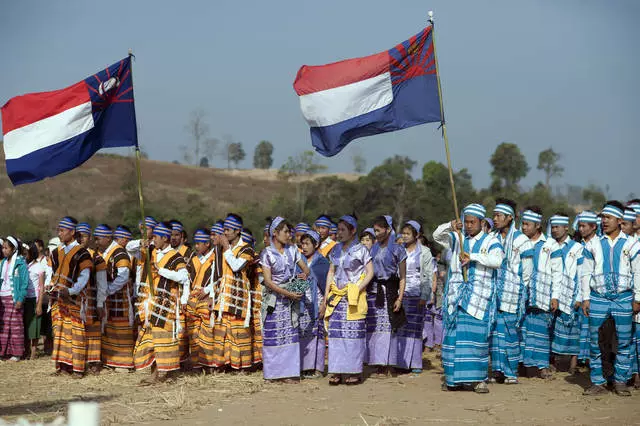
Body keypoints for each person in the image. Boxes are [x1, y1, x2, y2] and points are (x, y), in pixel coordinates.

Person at [433, 204, 504, 393]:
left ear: (482, 222)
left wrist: (472, 257)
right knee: (453, 338)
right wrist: (450, 224)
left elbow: (497, 261)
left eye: (473, 222)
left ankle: (478, 380)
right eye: (466, 222)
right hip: (455, 296)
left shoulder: (491, 241)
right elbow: (436, 236)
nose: (469, 225)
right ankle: (453, 380)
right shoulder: (457, 238)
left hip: (478, 299)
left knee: (476, 339)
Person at [581, 201, 640, 396]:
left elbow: (638, 272)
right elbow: (585, 272)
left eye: (608, 218)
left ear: (620, 220)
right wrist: (585, 298)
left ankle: (621, 381)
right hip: (598, 298)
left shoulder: (632, 244)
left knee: (624, 341)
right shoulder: (593, 244)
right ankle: (598, 382)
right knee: (595, 341)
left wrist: (638, 298)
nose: (604, 221)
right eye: (603, 217)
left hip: (624, 298)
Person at [134, 222, 189, 385]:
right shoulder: (151, 251)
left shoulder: (175, 256)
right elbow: (130, 249)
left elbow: (183, 277)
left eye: (156, 237)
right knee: (152, 339)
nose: (153, 239)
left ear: (165, 238)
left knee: (162, 339)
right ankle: (156, 373)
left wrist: (161, 271)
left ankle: (163, 374)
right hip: (149, 302)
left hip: (166, 304)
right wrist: (140, 243)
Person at [322, 214, 373, 385]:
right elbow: (331, 272)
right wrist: (326, 294)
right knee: (336, 335)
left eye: (343, 230)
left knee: (353, 335)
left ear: (353, 231)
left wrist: (357, 289)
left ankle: (353, 371)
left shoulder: (361, 250)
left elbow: (370, 272)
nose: (339, 233)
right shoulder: (335, 249)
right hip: (337, 296)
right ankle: (336, 370)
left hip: (353, 298)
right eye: (338, 230)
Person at [260, 217, 310, 382]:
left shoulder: (293, 250)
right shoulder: (267, 253)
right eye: (286, 232)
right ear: (275, 233)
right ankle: (273, 374)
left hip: (290, 299)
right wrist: (287, 293)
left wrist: (301, 278)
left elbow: (306, 269)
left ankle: (289, 373)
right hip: (274, 300)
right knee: (274, 334)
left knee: (290, 335)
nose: (289, 235)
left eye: (290, 232)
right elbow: (268, 281)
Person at [490, 199, 533, 385]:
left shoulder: (522, 240)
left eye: (499, 215)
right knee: (494, 333)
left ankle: (511, 372)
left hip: (512, 293)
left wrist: (521, 294)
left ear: (509, 218)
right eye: (494, 215)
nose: (495, 219)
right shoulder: (491, 238)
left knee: (509, 333)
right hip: (492, 294)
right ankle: (498, 371)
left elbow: (528, 271)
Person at [207, 213, 255, 370]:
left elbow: (236, 266)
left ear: (238, 231)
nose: (225, 233)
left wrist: (226, 247)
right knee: (222, 332)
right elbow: (217, 273)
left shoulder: (246, 249)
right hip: (222, 296)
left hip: (238, 297)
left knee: (239, 333)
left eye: (228, 230)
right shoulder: (220, 250)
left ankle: (243, 366)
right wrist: (211, 296)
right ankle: (225, 364)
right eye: (224, 230)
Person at [50, 217, 93, 377]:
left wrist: (72, 291)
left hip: (74, 300)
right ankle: (63, 367)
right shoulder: (56, 252)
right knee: (60, 333)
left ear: (72, 232)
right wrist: (51, 285)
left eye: (62, 230)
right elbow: (54, 274)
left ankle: (77, 369)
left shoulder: (82, 253)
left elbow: (84, 276)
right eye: (59, 230)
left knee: (76, 334)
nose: (59, 233)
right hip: (59, 299)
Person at [366, 215, 407, 375]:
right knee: (375, 329)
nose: (376, 233)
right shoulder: (373, 248)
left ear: (388, 230)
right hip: (374, 292)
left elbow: (403, 276)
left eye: (378, 230)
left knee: (389, 328)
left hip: (390, 290)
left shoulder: (398, 249)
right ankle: (378, 363)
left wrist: (400, 297)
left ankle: (389, 364)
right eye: (374, 230)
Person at [519, 208, 556, 379]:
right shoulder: (518, 241)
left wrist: (555, 296)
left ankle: (541, 366)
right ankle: (522, 365)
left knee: (540, 331)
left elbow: (557, 273)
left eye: (527, 224)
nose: (524, 227)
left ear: (538, 225)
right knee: (522, 330)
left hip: (541, 296)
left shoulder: (550, 244)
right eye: (523, 224)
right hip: (520, 294)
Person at [94, 224, 134, 371]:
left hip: (118, 298)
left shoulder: (119, 253)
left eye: (98, 239)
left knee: (119, 328)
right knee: (109, 328)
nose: (96, 242)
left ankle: (123, 363)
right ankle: (110, 361)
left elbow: (123, 276)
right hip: (107, 297)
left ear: (108, 238)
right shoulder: (101, 252)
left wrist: (107, 290)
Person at [548, 214, 583, 375]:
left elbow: (582, 273)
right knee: (551, 328)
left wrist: (579, 297)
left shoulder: (577, 248)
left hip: (571, 294)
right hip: (552, 291)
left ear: (566, 228)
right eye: (553, 227)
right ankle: (553, 361)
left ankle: (573, 363)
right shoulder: (548, 245)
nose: (555, 230)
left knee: (573, 329)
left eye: (558, 227)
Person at [397, 221, 432, 373]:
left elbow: (428, 275)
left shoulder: (424, 252)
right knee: (401, 327)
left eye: (407, 234)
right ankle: (401, 362)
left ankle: (415, 363)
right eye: (403, 233)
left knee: (415, 328)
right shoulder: (398, 250)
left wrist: (425, 295)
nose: (404, 236)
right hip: (401, 294)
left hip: (417, 294)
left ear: (416, 235)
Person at [298, 230, 329, 377]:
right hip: (302, 304)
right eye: (302, 243)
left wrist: (324, 304)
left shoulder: (322, 263)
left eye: (307, 244)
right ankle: (304, 367)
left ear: (316, 245)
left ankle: (318, 369)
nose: (303, 247)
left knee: (318, 336)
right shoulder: (299, 261)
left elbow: (326, 286)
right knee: (303, 335)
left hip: (317, 304)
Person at [184, 229, 217, 370]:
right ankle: (196, 362)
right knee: (193, 332)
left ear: (207, 244)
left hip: (206, 298)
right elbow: (187, 280)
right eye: (195, 244)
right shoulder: (194, 259)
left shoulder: (216, 258)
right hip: (193, 299)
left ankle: (208, 363)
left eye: (199, 244)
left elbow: (219, 278)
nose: (196, 247)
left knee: (208, 332)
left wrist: (208, 290)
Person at [78, 222, 106, 374]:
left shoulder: (97, 258)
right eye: (79, 236)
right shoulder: (71, 255)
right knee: (77, 331)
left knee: (93, 331)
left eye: (84, 236)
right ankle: (78, 363)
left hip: (92, 299)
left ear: (89, 238)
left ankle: (94, 362)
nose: (81, 239)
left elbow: (102, 284)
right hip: (75, 301)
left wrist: (101, 303)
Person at [574, 211, 599, 364]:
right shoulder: (579, 245)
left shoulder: (597, 245)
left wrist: (585, 296)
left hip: (592, 294)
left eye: (584, 226)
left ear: (594, 227)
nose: (581, 229)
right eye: (580, 226)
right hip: (581, 292)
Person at [0, 236, 29, 361]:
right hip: (2, 297)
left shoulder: (20, 263)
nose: (4, 250)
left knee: (15, 326)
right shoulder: (2, 263)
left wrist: (20, 299)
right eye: (3, 248)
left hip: (14, 298)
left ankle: (16, 353)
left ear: (13, 249)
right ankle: (3, 352)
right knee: (4, 326)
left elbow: (24, 283)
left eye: (6, 248)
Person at [25, 242, 45, 360]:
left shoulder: (39, 267)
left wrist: (39, 305)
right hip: (26, 299)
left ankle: (33, 353)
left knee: (35, 326)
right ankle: (26, 351)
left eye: (26, 253)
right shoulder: (25, 265)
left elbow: (41, 286)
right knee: (27, 325)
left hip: (35, 299)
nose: (25, 256)